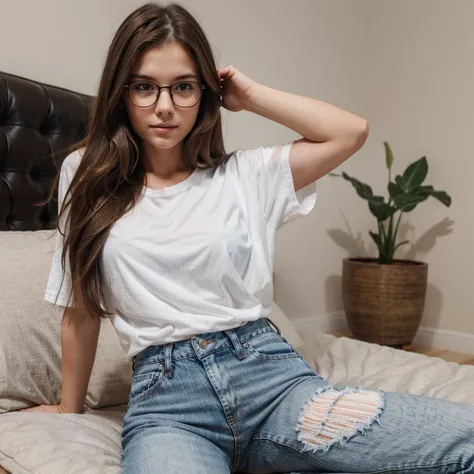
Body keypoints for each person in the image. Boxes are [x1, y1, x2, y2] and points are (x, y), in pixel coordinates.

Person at [22, 3, 473, 473]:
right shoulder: (86, 176)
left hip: (274, 383)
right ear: (121, 92)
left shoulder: (245, 175)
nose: (164, 106)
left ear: (205, 93)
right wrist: (68, 407)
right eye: (143, 86)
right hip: (170, 408)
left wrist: (251, 95)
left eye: (183, 87)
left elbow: (349, 132)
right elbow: (79, 307)